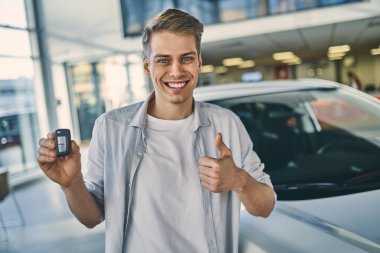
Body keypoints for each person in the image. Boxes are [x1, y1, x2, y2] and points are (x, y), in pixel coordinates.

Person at [37, 9, 276, 253]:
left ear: (199, 62)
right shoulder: (110, 128)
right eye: (163, 60)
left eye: (186, 58)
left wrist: (239, 180)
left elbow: (265, 206)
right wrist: (71, 184)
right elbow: (91, 218)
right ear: (147, 66)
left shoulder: (227, 124)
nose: (176, 71)